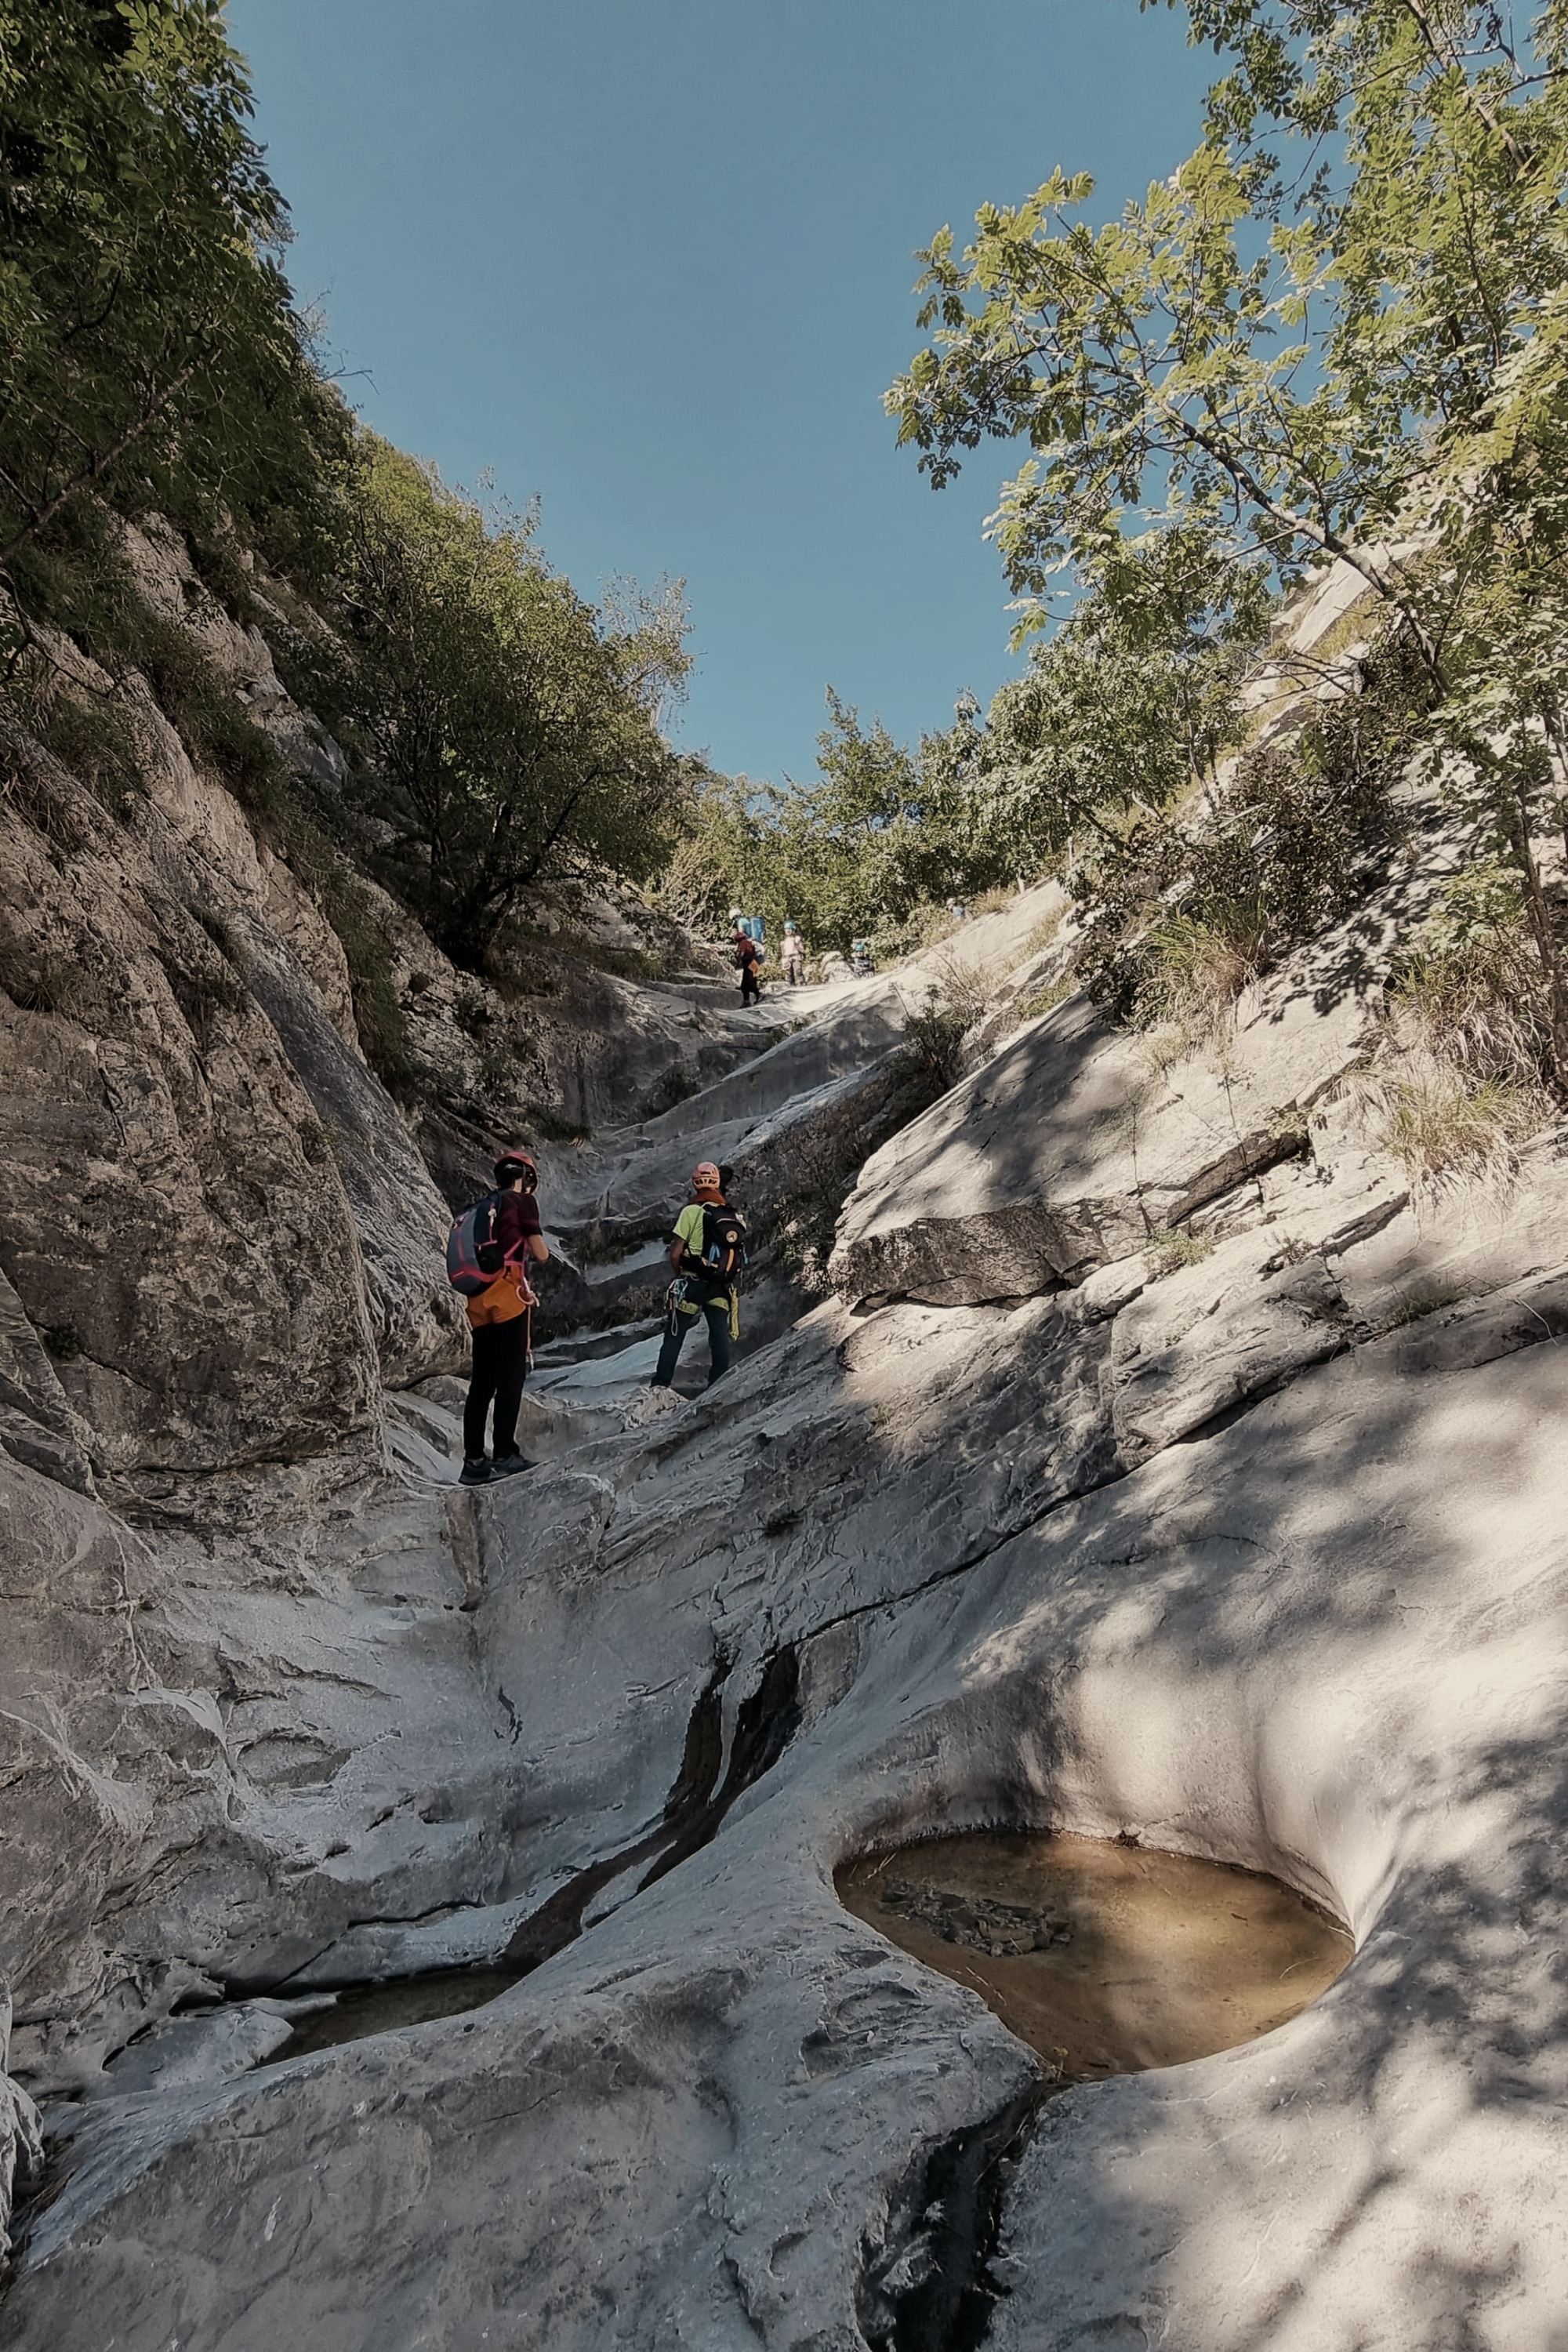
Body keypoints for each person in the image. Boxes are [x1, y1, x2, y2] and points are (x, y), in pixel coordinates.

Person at [459, 1149, 550, 1486]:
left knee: (482, 1383)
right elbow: (540, 1253)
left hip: (478, 1299)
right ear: (525, 1177)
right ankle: (504, 1454)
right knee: (511, 1378)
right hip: (509, 1296)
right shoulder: (520, 1202)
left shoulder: (480, 1208)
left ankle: (473, 1462)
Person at [650, 1161, 745, 1390]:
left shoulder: (691, 1211)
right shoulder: (733, 1215)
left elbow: (675, 1253)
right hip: (721, 1286)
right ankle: (717, 1386)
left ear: (695, 1184)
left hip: (691, 1282)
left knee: (675, 1335)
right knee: (719, 1336)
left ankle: (660, 1387)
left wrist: (680, 1275)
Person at [733, 921, 762, 1006]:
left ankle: (749, 1000)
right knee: (750, 982)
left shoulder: (743, 943)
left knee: (746, 984)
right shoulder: (749, 942)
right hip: (754, 964)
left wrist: (738, 960)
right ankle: (753, 997)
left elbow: (742, 953)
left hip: (749, 964)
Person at [782, 920, 805, 985]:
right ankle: (792, 985)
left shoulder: (797, 939)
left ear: (793, 930)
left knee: (799, 971)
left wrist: (797, 945)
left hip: (796, 957)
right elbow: (783, 952)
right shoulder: (783, 941)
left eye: (789, 929)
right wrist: (783, 960)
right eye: (786, 929)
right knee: (788, 974)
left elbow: (802, 949)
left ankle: (802, 983)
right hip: (787, 958)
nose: (788, 931)